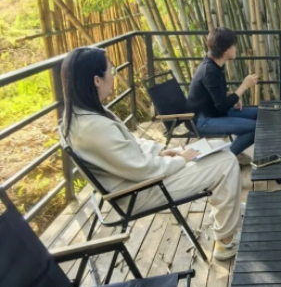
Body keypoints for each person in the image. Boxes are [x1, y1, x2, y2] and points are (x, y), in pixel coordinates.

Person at [61, 47, 242, 261]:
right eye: (111, 70)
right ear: (97, 80)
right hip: (141, 190)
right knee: (226, 162)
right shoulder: (94, 127)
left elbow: (131, 144)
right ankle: (225, 242)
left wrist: (164, 152)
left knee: (216, 147)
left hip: (140, 179)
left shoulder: (81, 116)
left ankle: (225, 212)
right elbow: (142, 168)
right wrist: (179, 160)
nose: (113, 75)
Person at [186, 27, 259, 166]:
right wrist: (243, 87)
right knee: (254, 127)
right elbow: (222, 106)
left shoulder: (216, 65)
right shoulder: (209, 71)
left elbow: (218, 95)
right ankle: (226, 160)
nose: (236, 48)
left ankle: (235, 151)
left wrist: (233, 96)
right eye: (234, 45)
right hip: (202, 120)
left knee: (259, 113)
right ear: (226, 50)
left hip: (213, 112)